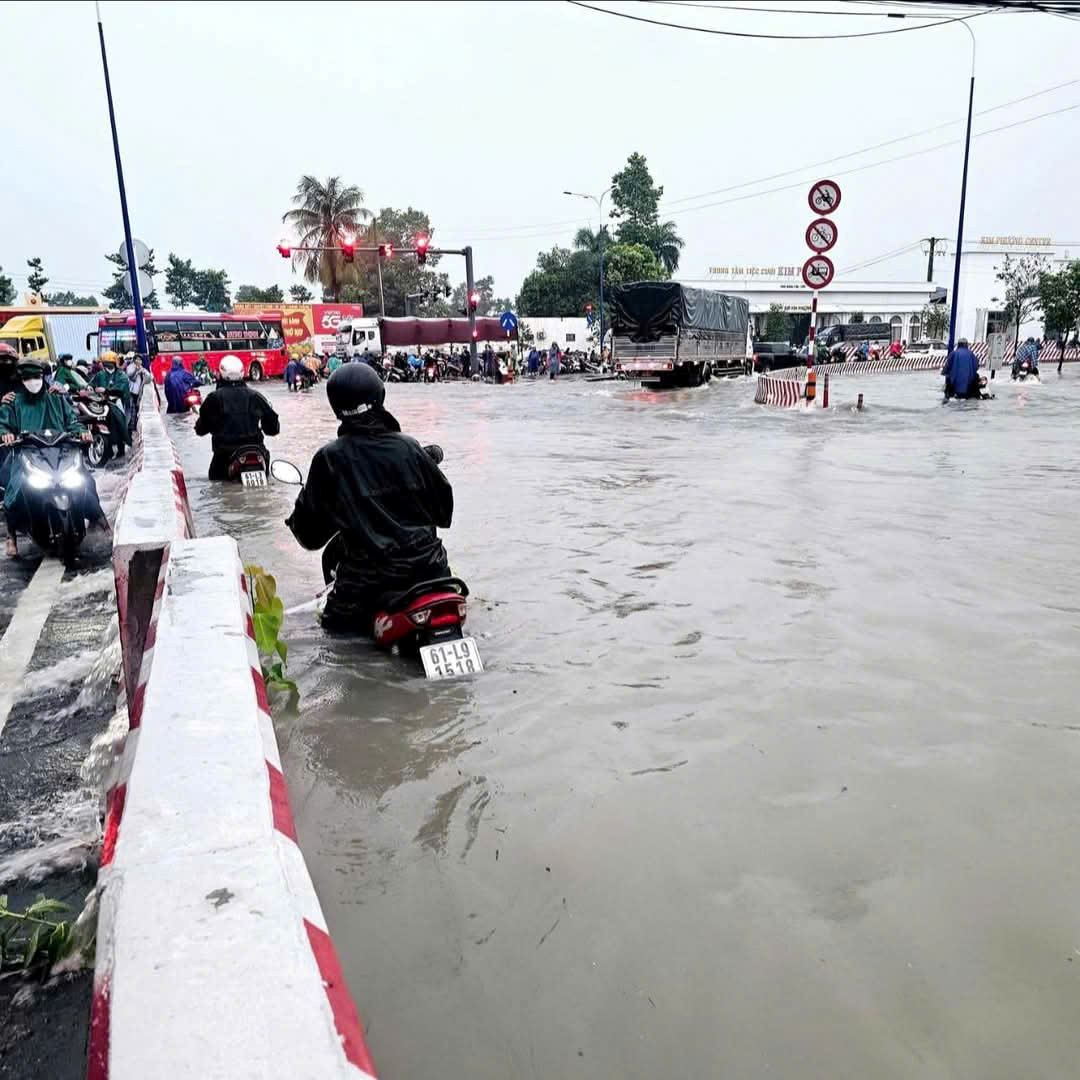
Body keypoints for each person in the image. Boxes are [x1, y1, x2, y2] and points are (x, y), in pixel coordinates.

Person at [284, 363, 453, 633]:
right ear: (380, 395)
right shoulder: (410, 447)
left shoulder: (330, 459)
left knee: (335, 642)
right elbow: (445, 512)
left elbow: (310, 536)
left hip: (367, 586)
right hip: (433, 573)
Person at [0, 360, 104, 557]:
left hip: (61, 451)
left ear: (43, 377)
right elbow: (3, 424)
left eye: (36, 377)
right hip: (27, 453)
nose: (33, 381)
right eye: (28, 378)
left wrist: (82, 432)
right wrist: (6, 434)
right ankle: (11, 535)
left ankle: (99, 518)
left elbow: (72, 422)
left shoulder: (56, 398)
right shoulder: (12, 401)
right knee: (14, 487)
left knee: (85, 480)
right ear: (21, 380)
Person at [194, 355, 280, 481]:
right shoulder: (256, 396)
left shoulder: (214, 398)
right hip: (256, 452)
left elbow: (201, 429)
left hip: (224, 455)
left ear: (221, 372)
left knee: (216, 484)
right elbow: (273, 428)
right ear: (242, 372)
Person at [90, 351, 131, 456]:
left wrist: (106, 390)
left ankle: (121, 448)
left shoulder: (121, 375)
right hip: (101, 404)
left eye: (110, 362)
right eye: (106, 362)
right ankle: (108, 450)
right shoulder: (100, 374)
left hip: (116, 403)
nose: (108, 364)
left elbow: (122, 388)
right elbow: (91, 385)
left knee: (120, 424)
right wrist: (90, 388)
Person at [125, 357, 148, 432]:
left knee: (137, 408)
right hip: (131, 391)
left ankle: (134, 425)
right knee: (131, 409)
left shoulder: (141, 368)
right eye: (138, 359)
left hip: (138, 392)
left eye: (140, 360)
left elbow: (149, 377)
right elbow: (131, 377)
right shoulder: (130, 367)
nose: (139, 361)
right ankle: (130, 426)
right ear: (134, 360)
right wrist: (137, 370)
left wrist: (143, 372)